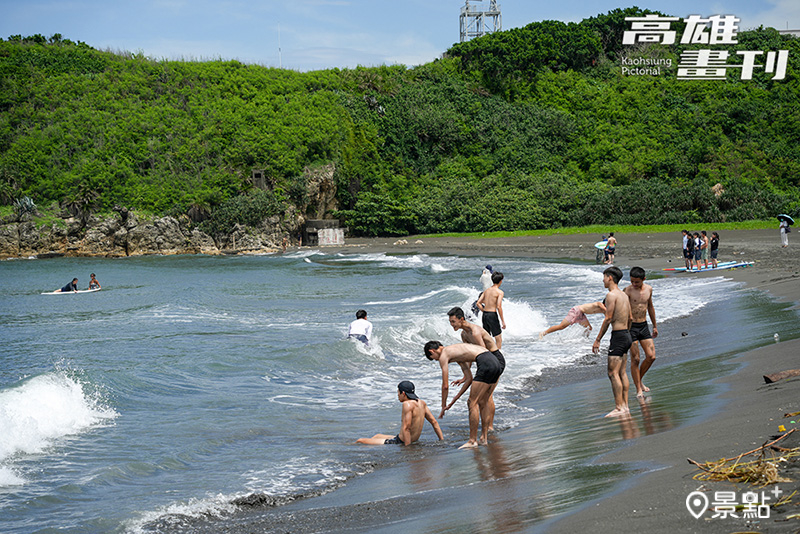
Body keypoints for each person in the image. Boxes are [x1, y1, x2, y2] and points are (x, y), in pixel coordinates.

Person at [424, 341, 504, 448]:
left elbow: (445, 386)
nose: (437, 360)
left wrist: (443, 406)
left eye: (434, 358)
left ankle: (472, 441)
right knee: (483, 401)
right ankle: (483, 438)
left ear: (432, 351)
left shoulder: (444, 354)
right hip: (495, 361)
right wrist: (453, 401)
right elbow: (469, 379)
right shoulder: (456, 352)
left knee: (472, 403)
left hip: (485, 362)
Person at [446, 307, 505, 433]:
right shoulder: (464, 334)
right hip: (485, 362)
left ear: (462, 319)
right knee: (485, 397)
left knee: (487, 397)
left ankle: (489, 427)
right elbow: (472, 354)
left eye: (453, 322)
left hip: (495, 360)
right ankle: (487, 427)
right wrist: (465, 374)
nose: (451, 325)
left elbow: (483, 353)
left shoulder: (475, 332)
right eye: (450, 322)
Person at [592, 266, 633, 418]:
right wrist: (627, 333)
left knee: (612, 372)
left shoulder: (611, 295)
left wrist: (597, 340)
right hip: (626, 334)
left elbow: (608, 318)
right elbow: (630, 318)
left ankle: (619, 407)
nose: (603, 280)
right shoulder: (624, 295)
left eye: (604, 277)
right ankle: (625, 406)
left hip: (618, 336)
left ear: (610, 277)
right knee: (621, 372)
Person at [357, 381, 443, 446]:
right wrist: (442, 441)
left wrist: (408, 449)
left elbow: (407, 428)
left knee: (360, 440)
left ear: (403, 393)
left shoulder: (407, 404)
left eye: (398, 392)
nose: (398, 395)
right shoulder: (422, 403)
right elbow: (434, 422)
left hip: (401, 441)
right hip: (406, 438)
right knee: (377, 436)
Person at [623, 267, 658, 398]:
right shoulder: (627, 290)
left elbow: (650, 306)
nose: (634, 284)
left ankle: (639, 380)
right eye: (632, 281)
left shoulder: (649, 289)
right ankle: (638, 388)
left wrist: (654, 326)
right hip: (630, 328)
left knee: (651, 356)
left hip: (643, 326)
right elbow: (621, 307)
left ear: (643, 279)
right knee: (636, 359)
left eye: (637, 282)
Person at [539, 301, 606, 339]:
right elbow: (604, 308)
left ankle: (582, 340)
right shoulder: (599, 304)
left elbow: (608, 317)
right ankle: (543, 333)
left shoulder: (604, 310)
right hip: (576, 311)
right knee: (561, 326)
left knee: (589, 328)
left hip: (581, 314)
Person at [476, 271, 506, 349]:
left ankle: (487, 353)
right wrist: (503, 321)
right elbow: (499, 306)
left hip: (485, 315)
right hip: (492, 315)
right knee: (498, 338)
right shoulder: (499, 292)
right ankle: (498, 356)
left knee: (487, 337)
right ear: (500, 281)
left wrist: (484, 311)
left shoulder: (486, 291)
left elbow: (478, 303)